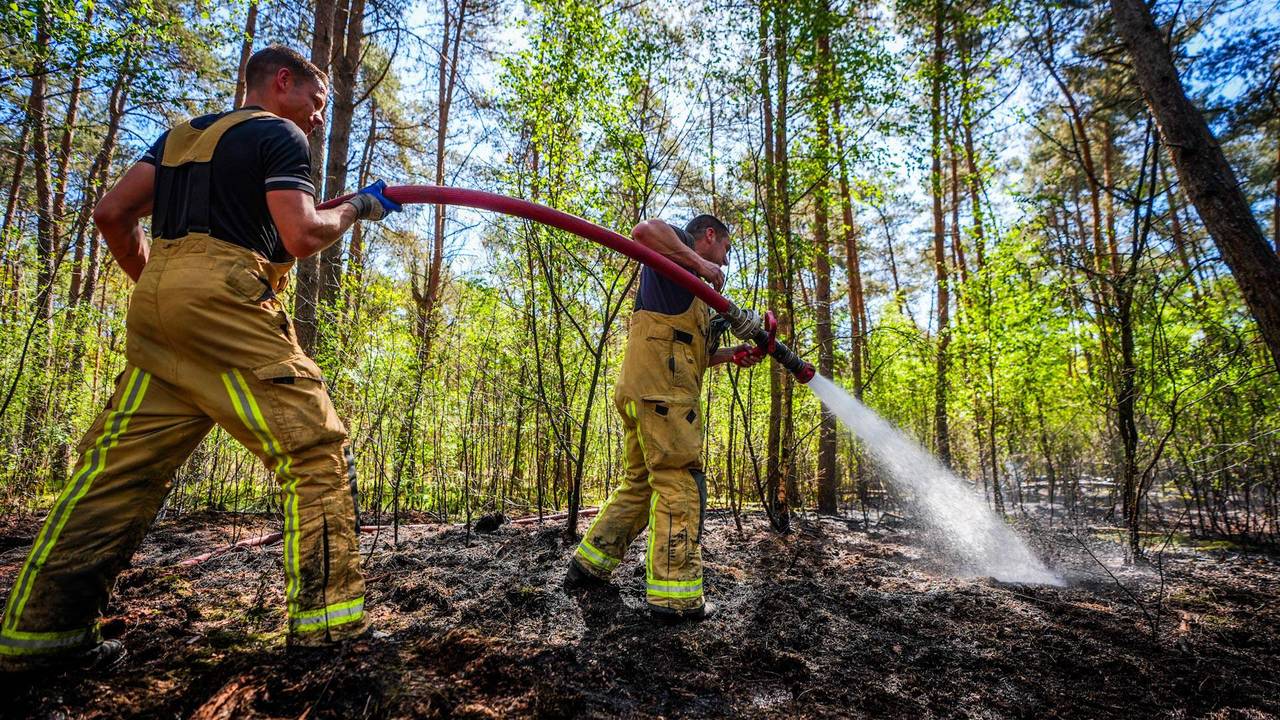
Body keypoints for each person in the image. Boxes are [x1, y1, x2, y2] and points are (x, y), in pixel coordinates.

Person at [0, 44, 400, 670]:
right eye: (317, 102)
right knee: (314, 447)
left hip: (159, 308)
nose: (319, 117)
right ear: (282, 82)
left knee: (114, 473)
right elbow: (300, 235)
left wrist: (161, 290)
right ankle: (330, 629)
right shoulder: (280, 135)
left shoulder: (180, 137)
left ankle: (38, 637)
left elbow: (111, 213)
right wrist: (355, 209)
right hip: (228, 303)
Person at [564, 215, 762, 621]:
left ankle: (589, 564)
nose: (722, 264)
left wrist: (732, 356)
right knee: (679, 485)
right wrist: (703, 266)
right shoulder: (675, 248)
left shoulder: (685, 285)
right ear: (710, 235)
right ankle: (675, 598)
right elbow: (643, 230)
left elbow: (693, 353)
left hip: (645, 395)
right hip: (664, 399)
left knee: (639, 484)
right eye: (724, 251)